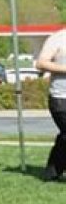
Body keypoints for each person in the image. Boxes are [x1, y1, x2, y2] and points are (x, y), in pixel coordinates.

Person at [35, 28, 66, 182]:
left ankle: (52, 171)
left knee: (65, 137)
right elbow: (40, 63)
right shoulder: (58, 38)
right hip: (61, 98)